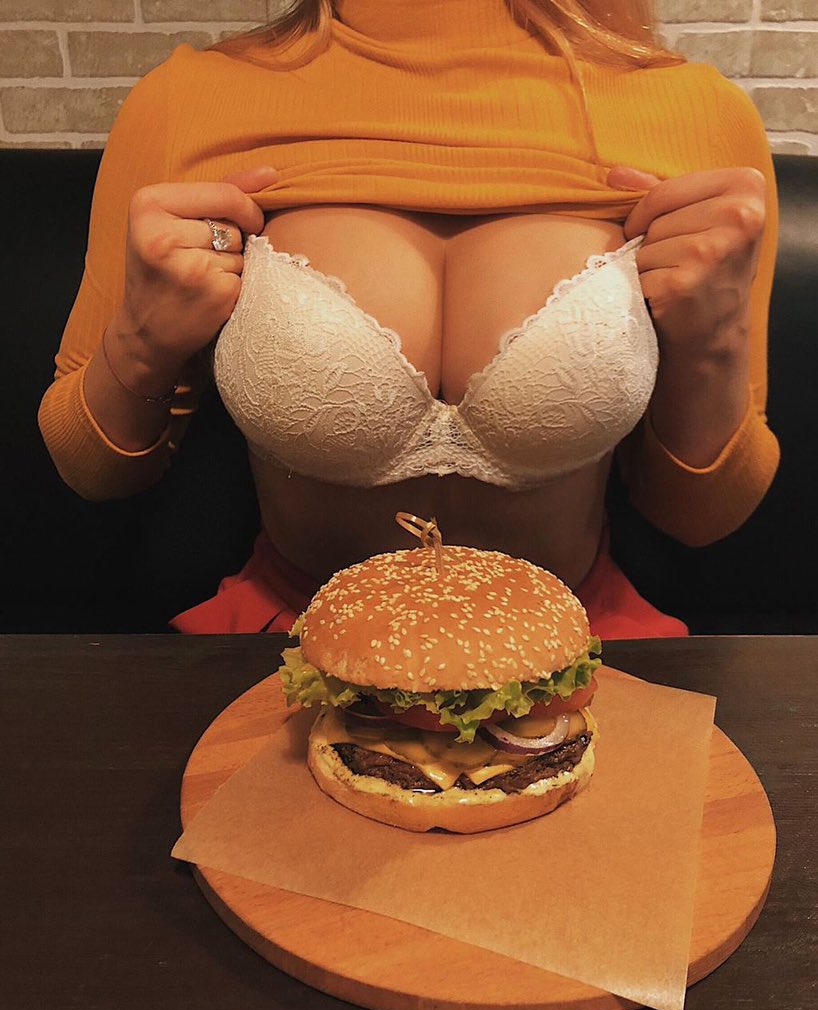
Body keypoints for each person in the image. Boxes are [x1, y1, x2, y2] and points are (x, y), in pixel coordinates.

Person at [38, 0, 779, 641]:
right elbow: (94, 472)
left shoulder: (696, 115)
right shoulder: (186, 103)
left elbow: (701, 517)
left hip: (581, 649)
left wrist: (712, 344)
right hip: (287, 652)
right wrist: (143, 342)